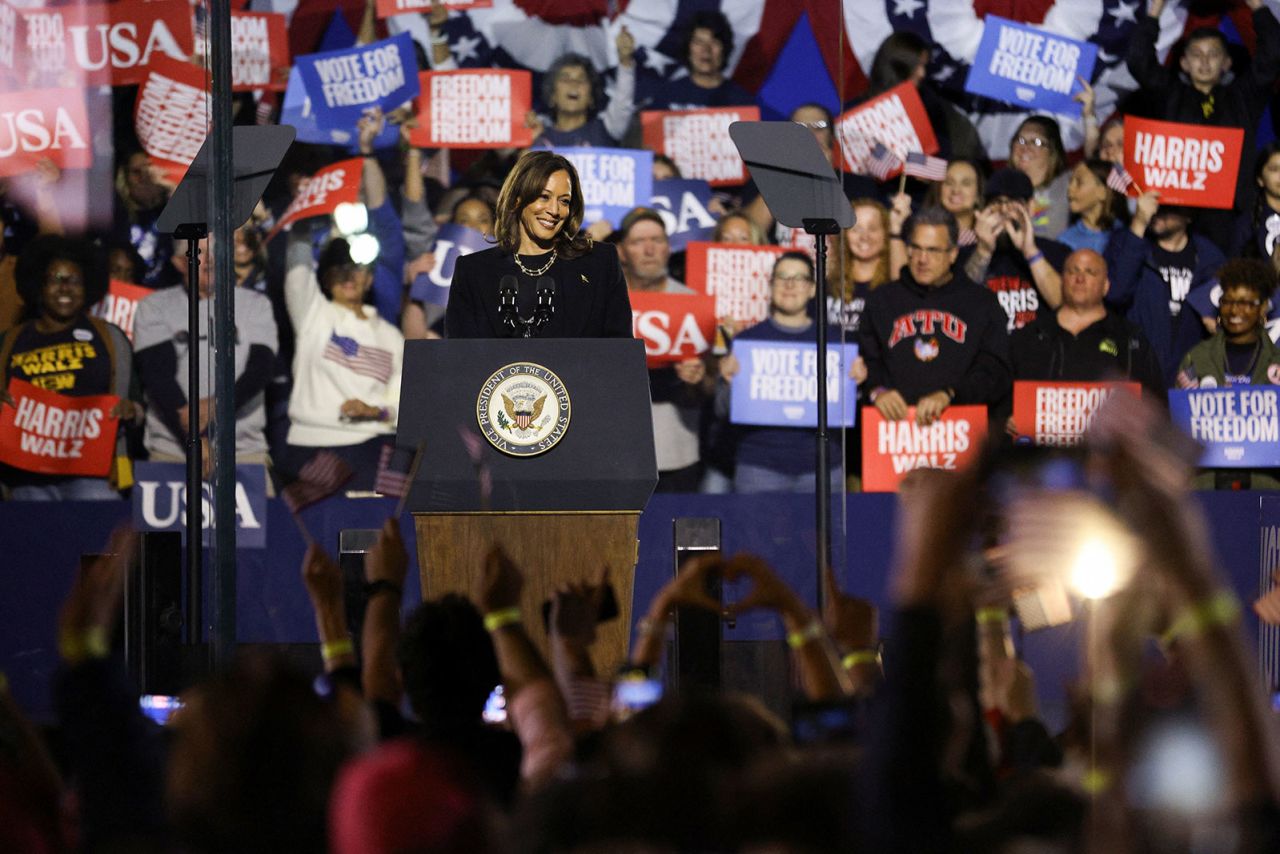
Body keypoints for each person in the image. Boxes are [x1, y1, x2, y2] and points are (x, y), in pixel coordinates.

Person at [1127, 0, 1280, 251]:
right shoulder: (1169, 94)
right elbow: (1138, 61)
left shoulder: (1243, 97)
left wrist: (1257, 6)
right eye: (1197, 55)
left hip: (1232, 217)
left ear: (1227, 63)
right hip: (1176, 215)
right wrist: (1155, 10)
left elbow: (1273, 53)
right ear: (1184, 64)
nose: (1205, 62)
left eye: (1213, 54)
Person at [0, 235, 141, 499]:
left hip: (93, 477)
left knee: (98, 538)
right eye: (55, 279)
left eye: (74, 280)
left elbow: (137, 401)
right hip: (26, 478)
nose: (65, 288)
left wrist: (131, 410)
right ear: (39, 287)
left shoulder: (111, 338)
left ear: (87, 286)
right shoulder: (10, 342)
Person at [134, 235, 277, 481]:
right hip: (173, 452)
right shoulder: (154, 306)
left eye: (216, 251)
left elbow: (260, 370)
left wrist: (217, 404)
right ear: (179, 262)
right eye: (198, 252)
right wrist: (194, 441)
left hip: (243, 452)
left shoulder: (255, 304)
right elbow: (158, 376)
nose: (210, 259)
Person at [445, 150, 632, 339]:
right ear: (517, 200)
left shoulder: (599, 263)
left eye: (564, 201)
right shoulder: (473, 271)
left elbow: (619, 353)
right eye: (544, 197)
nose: (554, 210)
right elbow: (460, 357)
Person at [861, 207, 1011, 426]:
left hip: (960, 431)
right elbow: (864, 362)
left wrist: (951, 395)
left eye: (933, 250)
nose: (922, 259)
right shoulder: (881, 300)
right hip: (895, 434)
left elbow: (995, 372)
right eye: (916, 248)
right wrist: (878, 391)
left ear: (952, 254)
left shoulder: (982, 303)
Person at [718, 252, 850, 493]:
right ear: (771, 285)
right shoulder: (747, 341)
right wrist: (727, 383)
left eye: (799, 278)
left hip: (820, 469)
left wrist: (854, 382)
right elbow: (722, 409)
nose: (790, 285)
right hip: (759, 467)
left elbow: (846, 409)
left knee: (822, 533)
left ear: (812, 289)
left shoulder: (833, 342)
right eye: (782, 277)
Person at [283, 234, 403, 490]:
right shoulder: (313, 315)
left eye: (356, 269)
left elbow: (402, 402)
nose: (348, 277)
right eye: (338, 271)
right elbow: (297, 270)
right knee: (317, 527)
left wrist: (374, 411)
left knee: (372, 526)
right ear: (326, 281)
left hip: (372, 445)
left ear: (369, 279)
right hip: (312, 446)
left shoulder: (391, 336)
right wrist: (305, 224)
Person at [616, 207, 711, 491]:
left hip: (678, 451)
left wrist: (698, 378)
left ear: (669, 248)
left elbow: (713, 388)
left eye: (657, 240)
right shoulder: (607, 302)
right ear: (621, 251)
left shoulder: (694, 305)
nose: (648, 250)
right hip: (620, 453)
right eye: (638, 242)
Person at [1009, 249, 1165, 408]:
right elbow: (1002, 401)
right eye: (1073, 271)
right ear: (1062, 281)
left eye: (1090, 272)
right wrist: (1008, 418)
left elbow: (1157, 408)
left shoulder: (1130, 341)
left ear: (1106, 286)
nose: (1080, 278)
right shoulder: (1029, 337)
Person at [1177, 259, 1280, 489]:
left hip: (1266, 489)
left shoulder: (1278, 363)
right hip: (1206, 488)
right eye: (1228, 301)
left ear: (1263, 307)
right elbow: (1182, 433)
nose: (1235, 310)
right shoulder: (1197, 359)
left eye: (1245, 303)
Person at [1105, 196, 1225, 383]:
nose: (1157, 210)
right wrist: (1138, 224)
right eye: (1155, 203)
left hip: (1189, 378)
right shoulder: (1127, 242)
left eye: (1168, 206)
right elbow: (1116, 294)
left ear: (1189, 215)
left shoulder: (1210, 258)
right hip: (1137, 373)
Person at [963, 168, 1069, 334]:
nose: (1004, 210)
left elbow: (1066, 308)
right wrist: (983, 251)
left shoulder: (1055, 252)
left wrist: (1031, 252)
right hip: (987, 355)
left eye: (1013, 202)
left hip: (1039, 354)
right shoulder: (966, 255)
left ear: (1031, 207)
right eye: (996, 202)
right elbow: (957, 308)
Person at [527, 29, 636, 148]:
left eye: (581, 79)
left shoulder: (607, 129)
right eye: (565, 79)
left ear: (591, 98)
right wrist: (527, 143)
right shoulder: (537, 136)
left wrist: (625, 61)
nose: (574, 84)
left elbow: (623, 100)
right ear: (552, 96)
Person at [641, 11, 754, 111]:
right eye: (698, 42)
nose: (706, 50)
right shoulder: (665, 97)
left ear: (725, 49)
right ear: (688, 49)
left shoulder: (743, 103)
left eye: (714, 43)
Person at [1007, 116, 1070, 240]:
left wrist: (1089, 118)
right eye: (1020, 140)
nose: (1025, 148)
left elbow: (1096, 169)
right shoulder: (1000, 185)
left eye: (1036, 142)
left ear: (1052, 150)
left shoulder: (1067, 183)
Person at [1057, 159, 1125, 255]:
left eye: (1079, 182)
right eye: (1070, 181)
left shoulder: (1124, 235)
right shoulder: (1066, 240)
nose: (1070, 188)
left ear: (1103, 192)